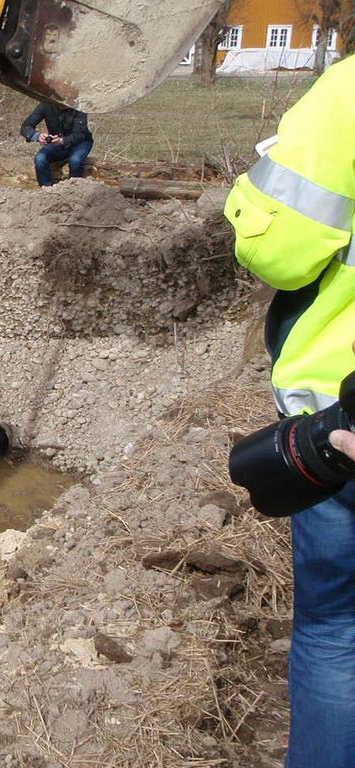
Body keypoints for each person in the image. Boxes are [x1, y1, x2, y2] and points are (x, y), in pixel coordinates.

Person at [224, 56, 354, 768]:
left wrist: (250, 196)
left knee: (337, 631)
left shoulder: (350, 93)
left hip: (343, 432)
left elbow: (279, 253)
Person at [19, 102, 94, 187]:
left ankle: (75, 190)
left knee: (75, 161)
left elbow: (80, 134)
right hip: (57, 143)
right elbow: (26, 127)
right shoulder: (46, 104)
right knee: (40, 159)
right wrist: (37, 136)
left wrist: (62, 140)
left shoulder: (79, 107)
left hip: (80, 143)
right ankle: (46, 190)